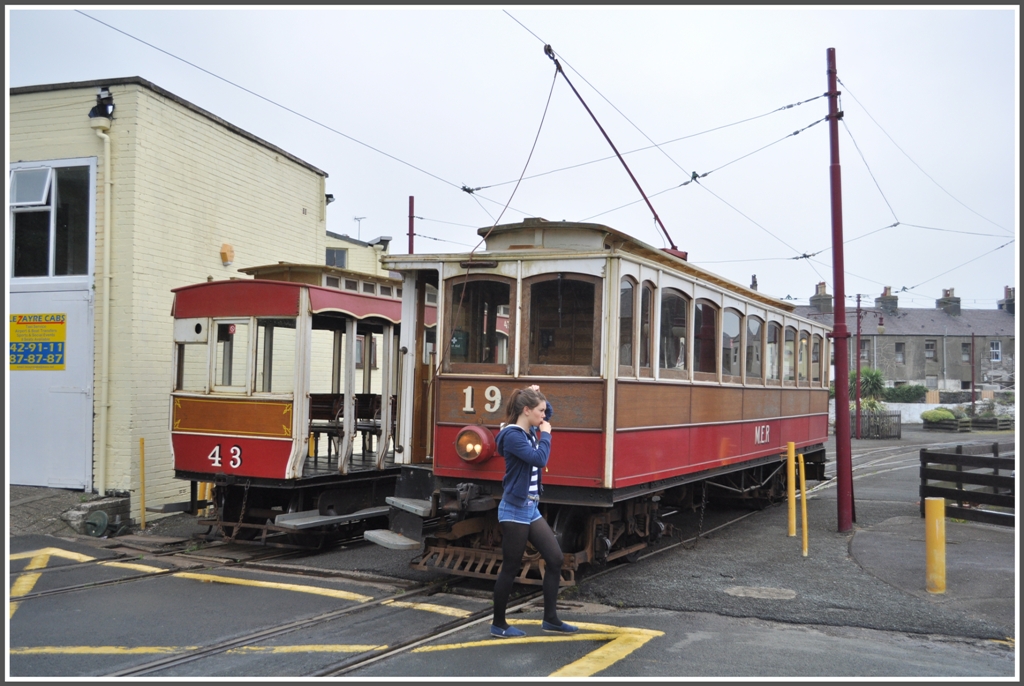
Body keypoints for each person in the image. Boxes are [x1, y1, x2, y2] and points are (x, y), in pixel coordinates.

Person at [490, 384, 578, 638]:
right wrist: (546, 435)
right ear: (526, 411)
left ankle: (550, 619)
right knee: (511, 566)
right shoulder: (514, 435)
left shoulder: (527, 427)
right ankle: (499, 624)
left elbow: (545, 411)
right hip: (515, 509)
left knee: (555, 559)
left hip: (531, 508)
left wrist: (533, 393)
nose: (545, 416)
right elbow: (540, 459)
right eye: (539, 411)